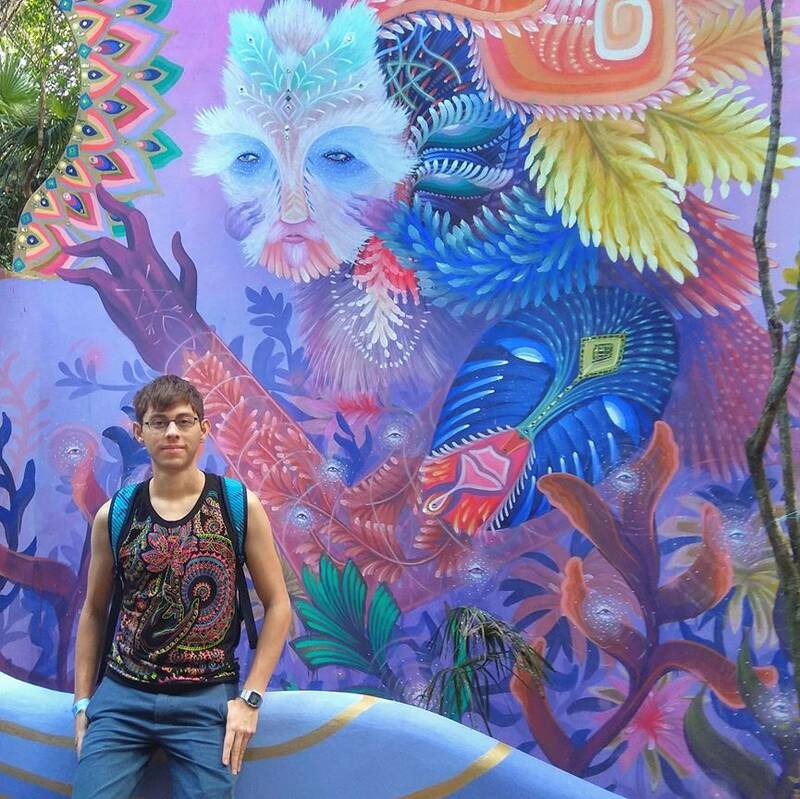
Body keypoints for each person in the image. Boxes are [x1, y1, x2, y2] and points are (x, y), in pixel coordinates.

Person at [71, 375, 292, 799]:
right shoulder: (115, 515)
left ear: (203, 429)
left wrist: (250, 699)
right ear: (139, 432)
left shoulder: (237, 505)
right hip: (122, 699)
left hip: (205, 701)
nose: (172, 431)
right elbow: (94, 612)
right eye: (159, 422)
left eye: (184, 421)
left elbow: (279, 604)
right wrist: (83, 702)